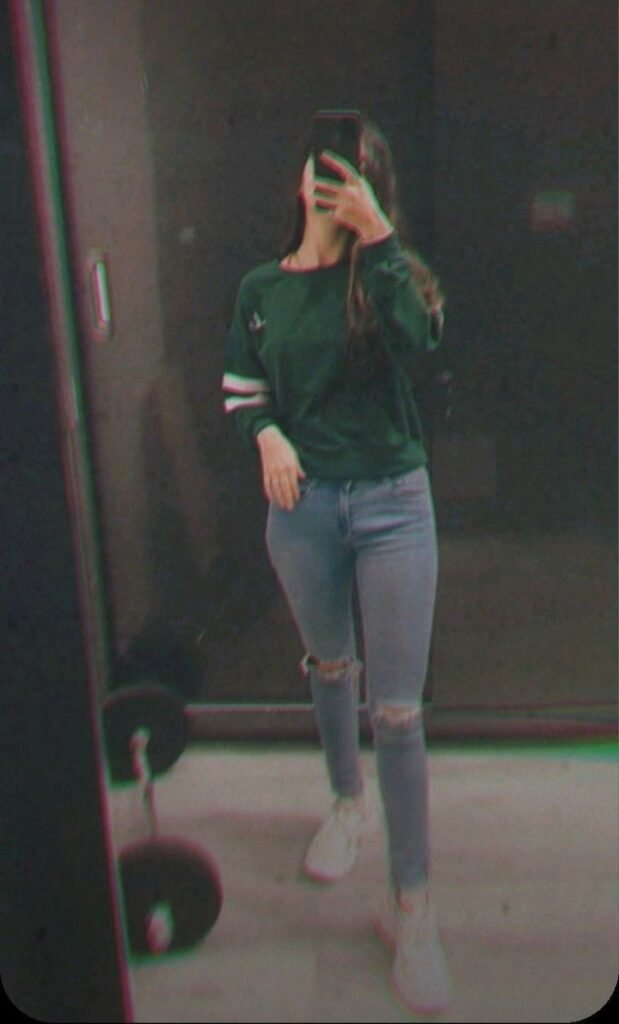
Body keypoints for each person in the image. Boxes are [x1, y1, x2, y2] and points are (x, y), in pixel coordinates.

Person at [222, 112, 450, 1015]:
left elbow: (421, 342)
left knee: (396, 711)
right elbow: (243, 388)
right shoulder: (259, 289)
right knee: (328, 666)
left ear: (372, 185)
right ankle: (347, 806)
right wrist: (266, 433)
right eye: (322, 170)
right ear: (298, 178)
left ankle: (413, 910)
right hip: (303, 510)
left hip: (393, 505)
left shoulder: (389, 273)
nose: (331, 186)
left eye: (352, 173)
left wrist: (378, 238)